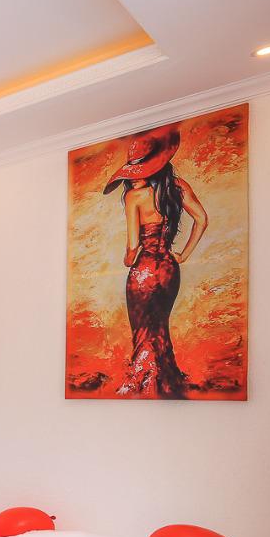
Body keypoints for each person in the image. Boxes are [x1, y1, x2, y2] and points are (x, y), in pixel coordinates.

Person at [102, 125, 208, 398]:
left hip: (144, 272)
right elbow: (202, 219)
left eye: (136, 172)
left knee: (144, 333)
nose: (132, 179)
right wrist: (182, 255)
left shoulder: (134, 198)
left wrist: (128, 259)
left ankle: (145, 385)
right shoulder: (178, 187)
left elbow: (132, 247)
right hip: (169, 271)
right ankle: (165, 383)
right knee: (159, 329)